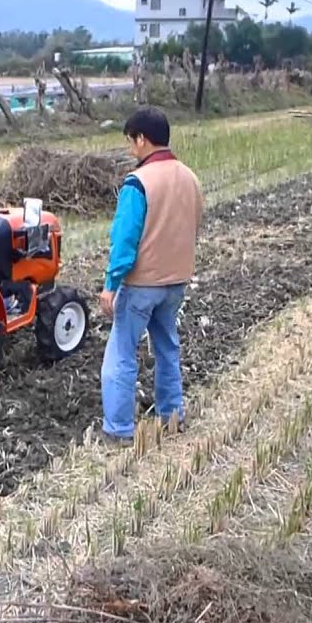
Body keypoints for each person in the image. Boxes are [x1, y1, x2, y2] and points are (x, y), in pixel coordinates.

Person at [99, 107, 204, 444]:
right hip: (176, 280)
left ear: (142, 139)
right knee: (167, 348)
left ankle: (118, 429)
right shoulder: (190, 177)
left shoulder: (138, 182)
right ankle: (172, 415)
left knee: (121, 354)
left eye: (132, 142)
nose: (132, 149)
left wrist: (110, 285)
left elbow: (125, 240)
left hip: (142, 284)